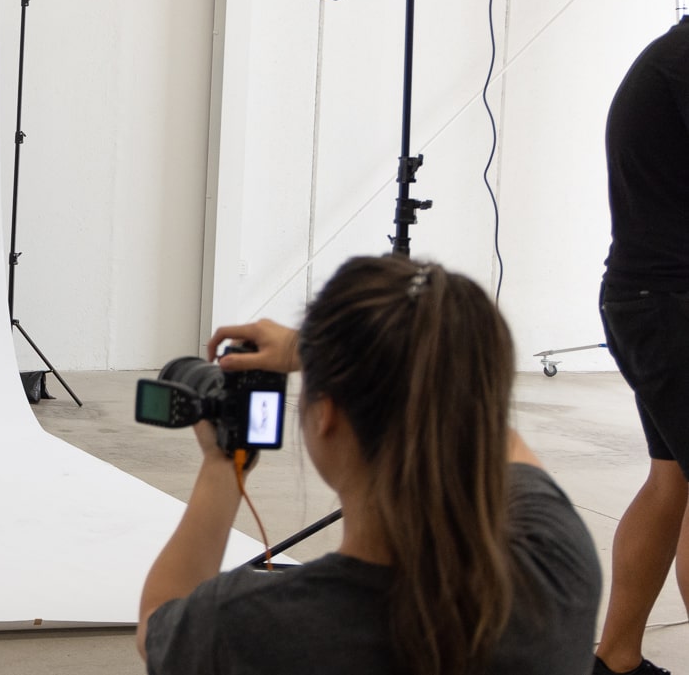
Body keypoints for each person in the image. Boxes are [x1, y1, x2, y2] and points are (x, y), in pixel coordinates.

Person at [137, 255, 601, 675]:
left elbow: (158, 622)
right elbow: (487, 428)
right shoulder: (560, 563)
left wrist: (223, 461)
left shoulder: (250, 627)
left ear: (328, 415)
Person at [594, 15, 689, 675]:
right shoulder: (683, 63)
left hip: (646, 299)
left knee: (671, 478)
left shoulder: (672, 57)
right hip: (671, 306)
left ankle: (617, 657)